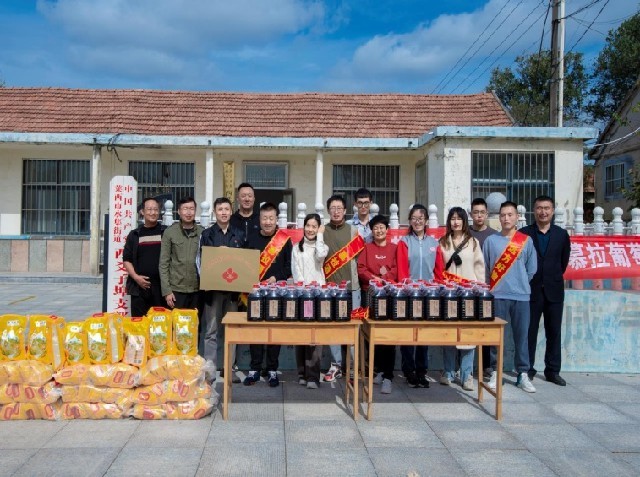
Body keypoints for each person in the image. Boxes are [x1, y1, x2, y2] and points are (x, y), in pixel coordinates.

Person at [483, 201, 537, 393]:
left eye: (510, 215)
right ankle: (496, 372)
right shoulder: (491, 241)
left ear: (516, 217)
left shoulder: (526, 241)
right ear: (499, 218)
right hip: (498, 295)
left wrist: (519, 284)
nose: (506, 218)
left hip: (522, 297)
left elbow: (531, 270)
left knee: (522, 337)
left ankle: (523, 373)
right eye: (503, 215)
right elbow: (488, 268)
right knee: (498, 337)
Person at [521, 195, 571, 386]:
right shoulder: (524, 233)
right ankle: (527, 369)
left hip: (554, 290)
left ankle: (552, 370)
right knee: (529, 331)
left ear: (552, 210)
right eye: (539, 208)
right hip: (531, 290)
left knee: (554, 331)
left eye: (547, 208)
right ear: (534, 210)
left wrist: (552, 276)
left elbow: (563, 262)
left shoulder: (561, 234)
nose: (543, 212)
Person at [197, 197, 245, 384]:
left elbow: (244, 262)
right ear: (214, 212)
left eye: (226, 209)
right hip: (213, 290)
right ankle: (210, 369)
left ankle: (229, 368)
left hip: (233, 292)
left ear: (231, 211)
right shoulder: (207, 234)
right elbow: (200, 261)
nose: (224, 212)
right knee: (211, 330)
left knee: (231, 330)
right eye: (220, 209)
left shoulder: (239, 234)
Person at [244, 203, 292, 388]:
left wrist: (276, 277)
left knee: (274, 331)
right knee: (255, 331)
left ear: (276, 219)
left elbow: (289, 267)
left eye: (271, 218)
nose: (268, 222)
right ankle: (255, 369)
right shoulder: (252, 239)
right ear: (260, 219)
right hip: (255, 292)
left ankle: (272, 369)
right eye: (265, 218)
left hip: (276, 292)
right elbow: (245, 265)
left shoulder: (284, 240)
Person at [396, 204, 444, 388]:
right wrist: (406, 290)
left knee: (424, 335)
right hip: (410, 295)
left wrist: (437, 289)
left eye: (421, 218)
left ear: (426, 221)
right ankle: (409, 372)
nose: (417, 221)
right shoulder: (404, 242)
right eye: (414, 218)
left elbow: (439, 270)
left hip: (429, 296)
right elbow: (402, 271)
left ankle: (421, 371)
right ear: (410, 221)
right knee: (409, 335)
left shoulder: (434, 243)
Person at [438, 207, 485, 391]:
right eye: (452, 218)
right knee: (449, 333)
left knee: (468, 334)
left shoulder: (473, 243)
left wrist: (479, 290)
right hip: (449, 295)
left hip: (468, 296)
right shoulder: (443, 243)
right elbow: (439, 268)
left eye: (459, 218)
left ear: (465, 221)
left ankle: (467, 374)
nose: (455, 222)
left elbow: (480, 268)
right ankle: (449, 371)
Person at [323, 195, 364, 382]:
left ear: (345, 210)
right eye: (333, 207)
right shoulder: (322, 230)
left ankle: (354, 366)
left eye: (339, 207)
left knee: (353, 327)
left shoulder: (354, 231)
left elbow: (360, 259)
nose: (336, 211)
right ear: (328, 210)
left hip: (352, 288)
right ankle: (336, 364)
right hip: (330, 288)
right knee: (332, 327)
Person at [357, 214, 397, 394]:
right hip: (370, 294)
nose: (379, 230)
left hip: (389, 294)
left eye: (382, 227)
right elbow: (361, 269)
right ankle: (378, 370)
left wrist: (384, 278)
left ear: (387, 229)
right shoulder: (367, 248)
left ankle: (388, 375)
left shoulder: (395, 248)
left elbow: (397, 268)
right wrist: (373, 279)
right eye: (375, 228)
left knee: (388, 333)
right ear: (371, 231)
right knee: (372, 332)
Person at [292, 213, 328, 389]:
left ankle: (313, 376)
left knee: (315, 336)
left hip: (318, 296)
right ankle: (302, 373)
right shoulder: (296, 248)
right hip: (302, 294)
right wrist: (303, 290)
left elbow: (320, 256)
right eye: (308, 226)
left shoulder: (322, 246)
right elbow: (296, 271)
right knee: (301, 335)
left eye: (314, 226)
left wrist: (320, 235)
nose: (311, 229)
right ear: (303, 227)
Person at [469, 197, 499, 377]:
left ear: (487, 214)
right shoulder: (465, 234)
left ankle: (487, 365)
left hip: (488, 289)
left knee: (486, 328)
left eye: (482, 212)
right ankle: (463, 367)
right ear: (470, 214)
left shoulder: (494, 236)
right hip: (467, 289)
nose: (479, 216)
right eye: (475, 212)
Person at [123, 197, 167, 317]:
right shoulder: (135, 234)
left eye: (155, 209)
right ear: (142, 211)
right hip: (139, 288)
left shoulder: (166, 232)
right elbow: (126, 259)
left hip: (161, 288)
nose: (153, 212)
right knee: (139, 324)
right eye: (149, 209)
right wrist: (136, 278)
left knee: (160, 325)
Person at [159, 196, 203, 310]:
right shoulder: (170, 232)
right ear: (179, 211)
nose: (188, 212)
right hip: (176, 290)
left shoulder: (202, 232)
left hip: (197, 290)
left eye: (192, 208)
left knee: (195, 325)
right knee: (177, 325)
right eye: (185, 208)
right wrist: (167, 291)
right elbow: (163, 263)